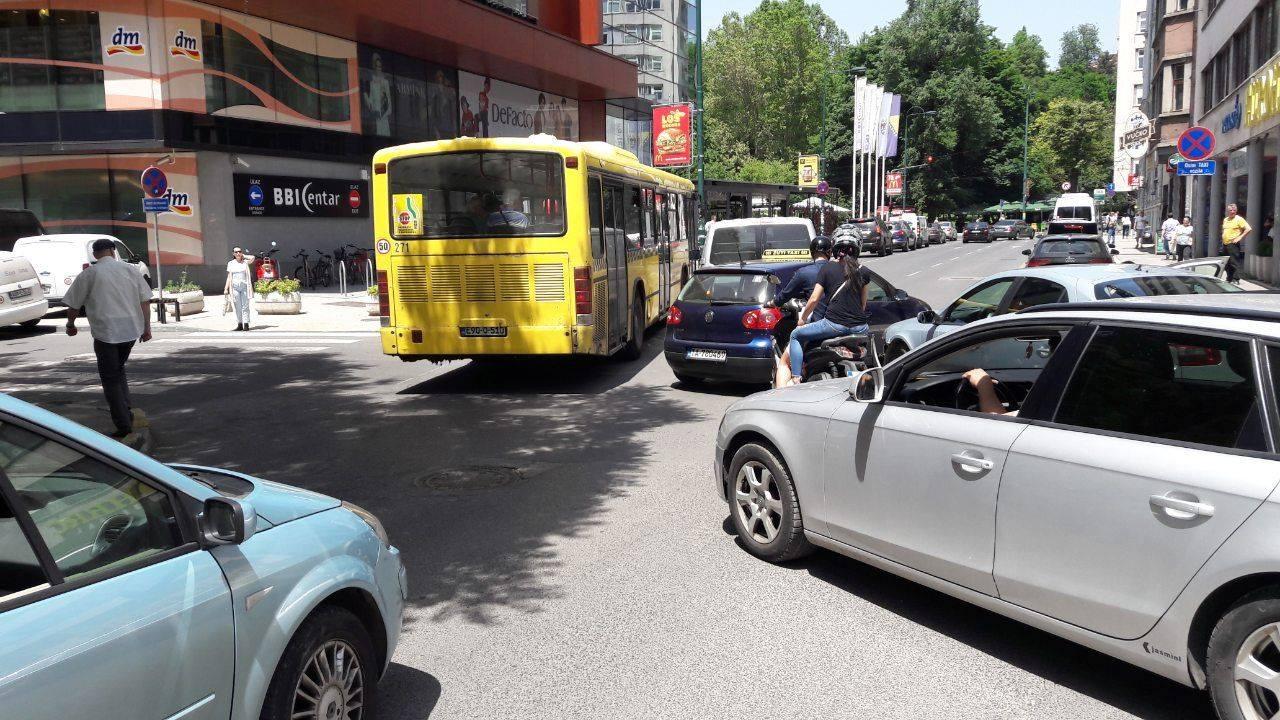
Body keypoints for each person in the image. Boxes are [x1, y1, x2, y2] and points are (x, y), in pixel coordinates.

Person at [62, 238, 153, 438]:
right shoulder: (131, 270)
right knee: (118, 369)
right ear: (113, 251)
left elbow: (74, 305)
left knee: (110, 378)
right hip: (130, 330)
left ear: (95, 254)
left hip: (106, 332)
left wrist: (70, 325)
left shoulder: (90, 274)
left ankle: (123, 423)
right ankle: (126, 410)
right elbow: (145, 301)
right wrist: (147, 328)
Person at [779, 238, 870, 387]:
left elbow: (814, 299)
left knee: (796, 335)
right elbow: (863, 304)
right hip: (861, 328)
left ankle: (796, 378)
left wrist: (802, 319)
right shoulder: (864, 271)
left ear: (835, 250)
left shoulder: (827, 269)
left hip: (834, 325)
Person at [772, 236, 834, 387]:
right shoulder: (839, 270)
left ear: (812, 252)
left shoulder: (804, 273)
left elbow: (785, 295)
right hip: (842, 324)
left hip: (819, 326)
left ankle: (781, 395)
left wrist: (773, 302)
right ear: (829, 252)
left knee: (785, 362)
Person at [224, 247, 256, 331]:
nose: (238, 253)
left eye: (239, 251)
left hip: (244, 286)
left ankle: (246, 324)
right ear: (233, 254)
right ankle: (240, 324)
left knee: (245, 306)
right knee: (237, 306)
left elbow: (253, 257)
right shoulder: (231, 263)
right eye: (236, 252)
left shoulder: (245, 262)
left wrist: (243, 255)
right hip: (234, 287)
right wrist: (226, 288)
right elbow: (229, 277)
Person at [1221, 202, 1251, 283]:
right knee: (1226, 262)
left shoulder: (1239, 219)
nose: (1232, 211)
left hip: (1233, 244)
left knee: (1234, 262)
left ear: (1236, 211)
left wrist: (1240, 237)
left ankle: (1235, 279)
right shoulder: (1225, 219)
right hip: (1225, 244)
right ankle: (1229, 278)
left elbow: (1248, 229)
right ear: (1227, 211)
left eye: (1233, 210)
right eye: (1230, 210)